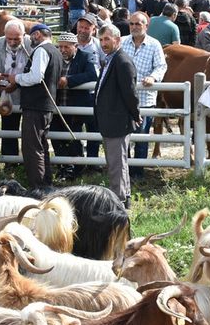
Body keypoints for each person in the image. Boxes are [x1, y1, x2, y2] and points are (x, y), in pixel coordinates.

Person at [3, 23, 63, 189]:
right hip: (45, 106)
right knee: (41, 145)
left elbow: (36, 77)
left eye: (31, 36)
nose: (30, 39)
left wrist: (17, 78)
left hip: (36, 106)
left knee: (31, 147)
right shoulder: (55, 51)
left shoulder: (42, 50)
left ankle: (38, 186)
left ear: (37, 35)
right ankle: (46, 183)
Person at [94, 24, 140, 208]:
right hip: (111, 119)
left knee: (116, 164)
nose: (103, 43)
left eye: (107, 39)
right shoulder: (112, 59)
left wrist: (135, 114)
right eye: (101, 39)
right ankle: (124, 198)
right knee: (118, 162)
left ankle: (119, 202)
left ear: (117, 39)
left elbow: (130, 93)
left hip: (117, 120)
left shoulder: (122, 61)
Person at [121, 11, 167, 180]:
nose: (134, 27)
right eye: (132, 24)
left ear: (146, 26)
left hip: (145, 99)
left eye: (138, 24)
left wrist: (153, 77)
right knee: (123, 136)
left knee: (141, 136)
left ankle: (138, 173)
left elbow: (161, 66)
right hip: (123, 98)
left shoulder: (155, 45)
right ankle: (124, 171)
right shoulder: (122, 42)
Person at [52, 32, 99, 179]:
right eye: (60, 47)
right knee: (57, 138)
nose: (62, 50)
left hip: (76, 105)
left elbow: (92, 75)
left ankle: (77, 167)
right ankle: (64, 167)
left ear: (75, 46)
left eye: (66, 47)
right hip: (57, 105)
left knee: (74, 137)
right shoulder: (55, 57)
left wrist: (69, 80)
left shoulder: (85, 57)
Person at [0, 19, 32, 165]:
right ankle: (10, 162)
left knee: (29, 130)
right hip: (7, 93)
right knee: (8, 127)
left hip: (27, 93)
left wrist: (18, 83)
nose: (12, 42)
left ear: (24, 35)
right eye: (9, 38)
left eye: (16, 39)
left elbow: (33, 72)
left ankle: (28, 162)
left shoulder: (31, 44)